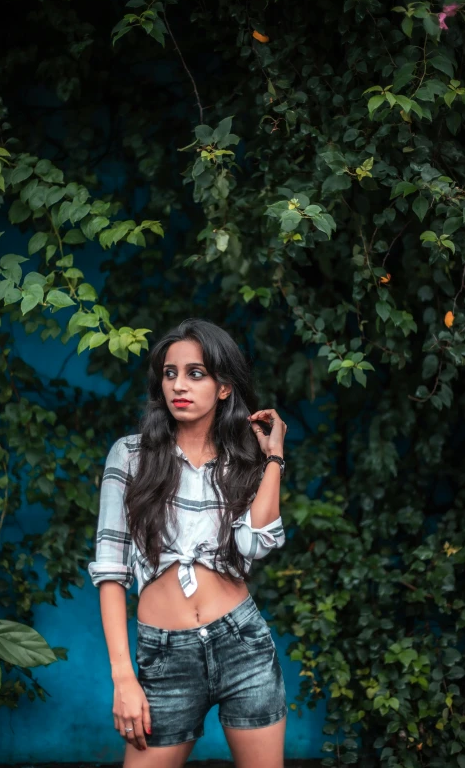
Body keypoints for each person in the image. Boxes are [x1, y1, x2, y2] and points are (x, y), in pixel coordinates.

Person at [88, 318, 288, 768]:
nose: (179, 384)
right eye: (170, 372)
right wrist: (123, 675)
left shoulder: (245, 460)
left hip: (243, 644)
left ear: (223, 387)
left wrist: (273, 457)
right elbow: (110, 569)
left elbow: (255, 544)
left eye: (196, 373)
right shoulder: (131, 455)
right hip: (164, 654)